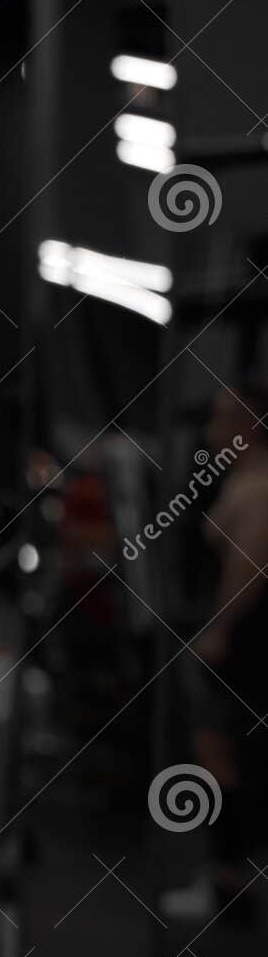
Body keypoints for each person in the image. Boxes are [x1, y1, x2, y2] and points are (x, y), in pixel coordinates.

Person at [161, 379, 268, 924]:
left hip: (244, 642)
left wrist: (219, 632)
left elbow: (247, 570)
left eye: (226, 416)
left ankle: (229, 883)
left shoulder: (257, 487)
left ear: (251, 423)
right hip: (241, 638)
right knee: (225, 755)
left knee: (223, 756)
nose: (214, 428)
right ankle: (229, 880)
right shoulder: (244, 481)